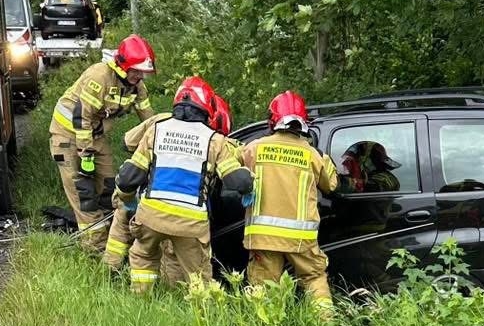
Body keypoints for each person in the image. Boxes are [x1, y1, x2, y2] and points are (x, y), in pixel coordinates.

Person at [117, 76, 251, 294]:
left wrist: (128, 200)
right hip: (189, 223)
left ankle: (139, 301)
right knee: (198, 276)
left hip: (151, 216)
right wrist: (249, 188)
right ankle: (202, 316)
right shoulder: (214, 139)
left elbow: (128, 177)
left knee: (143, 258)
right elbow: (236, 180)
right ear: (208, 106)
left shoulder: (156, 130)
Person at [48, 33, 157, 257]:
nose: (140, 76)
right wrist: (86, 154)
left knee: (110, 186)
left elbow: (149, 120)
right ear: (124, 66)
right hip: (67, 135)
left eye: (143, 72)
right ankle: (94, 248)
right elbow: (82, 117)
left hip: (93, 135)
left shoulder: (136, 86)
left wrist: (159, 145)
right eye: (137, 71)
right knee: (83, 191)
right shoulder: (100, 77)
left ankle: (113, 237)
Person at [241, 91, 340, 313]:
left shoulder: (255, 147)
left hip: (264, 236)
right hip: (301, 238)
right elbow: (332, 185)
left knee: (264, 287)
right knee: (314, 277)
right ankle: (325, 325)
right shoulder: (313, 155)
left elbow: (233, 171)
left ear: (273, 119)